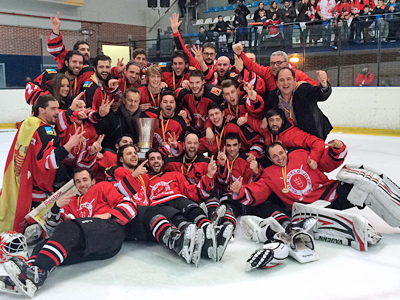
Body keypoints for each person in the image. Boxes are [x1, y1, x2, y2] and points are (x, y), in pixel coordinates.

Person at [2, 168, 137, 298]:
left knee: (69, 226)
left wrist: (107, 216)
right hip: (89, 245)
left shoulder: (102, 187)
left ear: (93, 181)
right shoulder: (71, 201)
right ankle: (27, 278)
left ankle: (38, 271)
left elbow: (130, 205)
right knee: (43, 244)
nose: (82, 184)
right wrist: (56, 207)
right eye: (78, 181)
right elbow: (52, 229)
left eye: (85, 180)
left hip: (109, 234)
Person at [0, 95, 85, 233]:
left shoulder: (28, 123)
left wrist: (71, 111)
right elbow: (48, 162)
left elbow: (55, 123)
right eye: (53, 108)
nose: (57, 111)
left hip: (23, 178)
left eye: (58, 108)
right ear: (42, 109)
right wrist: (68, 146)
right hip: (38, 187)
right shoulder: (45, 131)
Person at [146, 149, 234, 262]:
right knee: (178, 218)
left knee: (194, 209)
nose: (156, 161)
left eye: (158, 158)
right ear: (147, 163)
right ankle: (193, 240)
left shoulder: (175, 175)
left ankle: (211, 233)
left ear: (163, 162)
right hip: (160, 204)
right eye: (152, 159)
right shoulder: (145, 179)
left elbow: (192, 192)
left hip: (179, 198)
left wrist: (209, 175)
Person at [267, 67, 332, 140]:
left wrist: (323, 83)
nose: (285, 83)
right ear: (277, 83)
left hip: (313, 134)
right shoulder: (273, 96)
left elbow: (321, 95)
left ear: (294, 81)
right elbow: (266, 109)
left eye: (288, 79)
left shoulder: (303, 90)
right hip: (291, 137)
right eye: (281, 80)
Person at [232, 43, 317, 95]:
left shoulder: (298, 74)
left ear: (287, 63)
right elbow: (253, 66)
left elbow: (314, 89)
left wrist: (303, 86)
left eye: (279, 63)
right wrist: (240, 53)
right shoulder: (267, 72)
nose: (275, 66)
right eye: (272, 63)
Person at [176, 69, 223, 134]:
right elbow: (173, 100)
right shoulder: (184, 92)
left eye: (197, 82)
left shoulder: (213, 94)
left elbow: (227, 97)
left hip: (211, 132)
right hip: (192, 131)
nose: (194, 86)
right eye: (192, 83)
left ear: (203, 81)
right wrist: (184, 111)